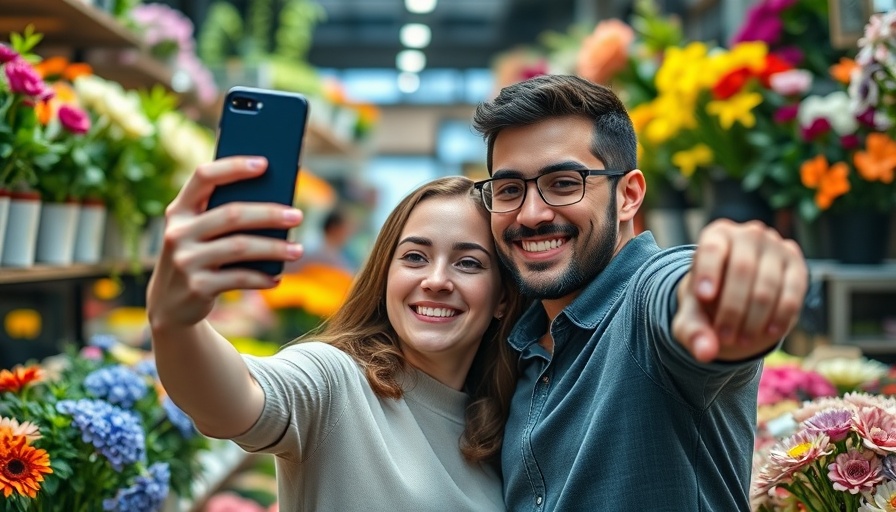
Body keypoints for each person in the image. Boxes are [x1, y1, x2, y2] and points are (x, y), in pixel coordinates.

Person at [470, 74, 808, 511]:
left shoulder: (644, 304)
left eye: (564, 183)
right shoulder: (518, 342)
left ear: (628, 195)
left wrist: (716, 297)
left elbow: (677, 296)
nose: (532, 214)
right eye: (510, 189)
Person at [146, 162, 526, 511]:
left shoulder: (510, 425)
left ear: (503, 299)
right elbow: (228, 401)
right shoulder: (337, 382)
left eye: (468, 263)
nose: (436, 280)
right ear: (385, 274)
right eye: (414, 257)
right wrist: (175, 322)